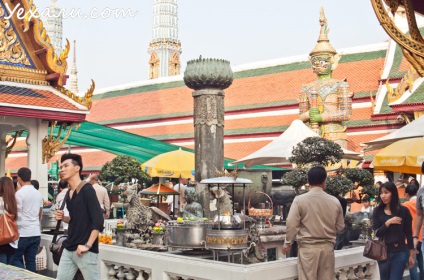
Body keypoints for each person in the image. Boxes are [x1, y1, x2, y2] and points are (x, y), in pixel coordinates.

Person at [283, 166, 345, 280]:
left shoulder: (300, 200)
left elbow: (291, 224)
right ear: (324, 181)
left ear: (308, 181)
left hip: (308, 249)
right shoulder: (335, 201)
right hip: (327, 249)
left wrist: (287, 243)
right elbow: (340, 227)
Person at [55, 153, 104, 280]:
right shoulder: (68, 193)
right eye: (61, 167)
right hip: (69, 246)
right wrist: (64, 218)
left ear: (77, 168)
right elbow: (76, 219)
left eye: (66, 166)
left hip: (84, 250)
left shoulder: (87, 190)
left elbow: (98, 220)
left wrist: (87, 245)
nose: (62, 170)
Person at [373, 182, 414, 279]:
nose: (383, 196)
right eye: (381, 193)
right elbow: (377, 232)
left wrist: (411, 255)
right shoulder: (377, 211)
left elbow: (409, 234)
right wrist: (388, 223)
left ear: (393, 193)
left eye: (386, 192)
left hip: (399, 252)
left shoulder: (403, 211)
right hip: (383, 252)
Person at [11, 167, 43, 272]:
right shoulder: (38, 194)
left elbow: (17, 215)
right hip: (35, 232)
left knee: (14, 259)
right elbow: (39, 214)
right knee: (31, 261)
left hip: (23, 233)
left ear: (18, 178)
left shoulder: (19, 194)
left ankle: (25, 276)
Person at [403, 184, 423, 280]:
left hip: (411, 238)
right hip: (421, 236)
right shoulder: (421, 201)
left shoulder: (405, 205)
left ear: (406, 194)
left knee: (412, 265)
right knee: (422, 265)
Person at [0, 176, 18, 264]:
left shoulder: (0, 201)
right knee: (10, 267)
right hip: (12, 239)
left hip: (1, 239)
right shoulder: (13, 201)